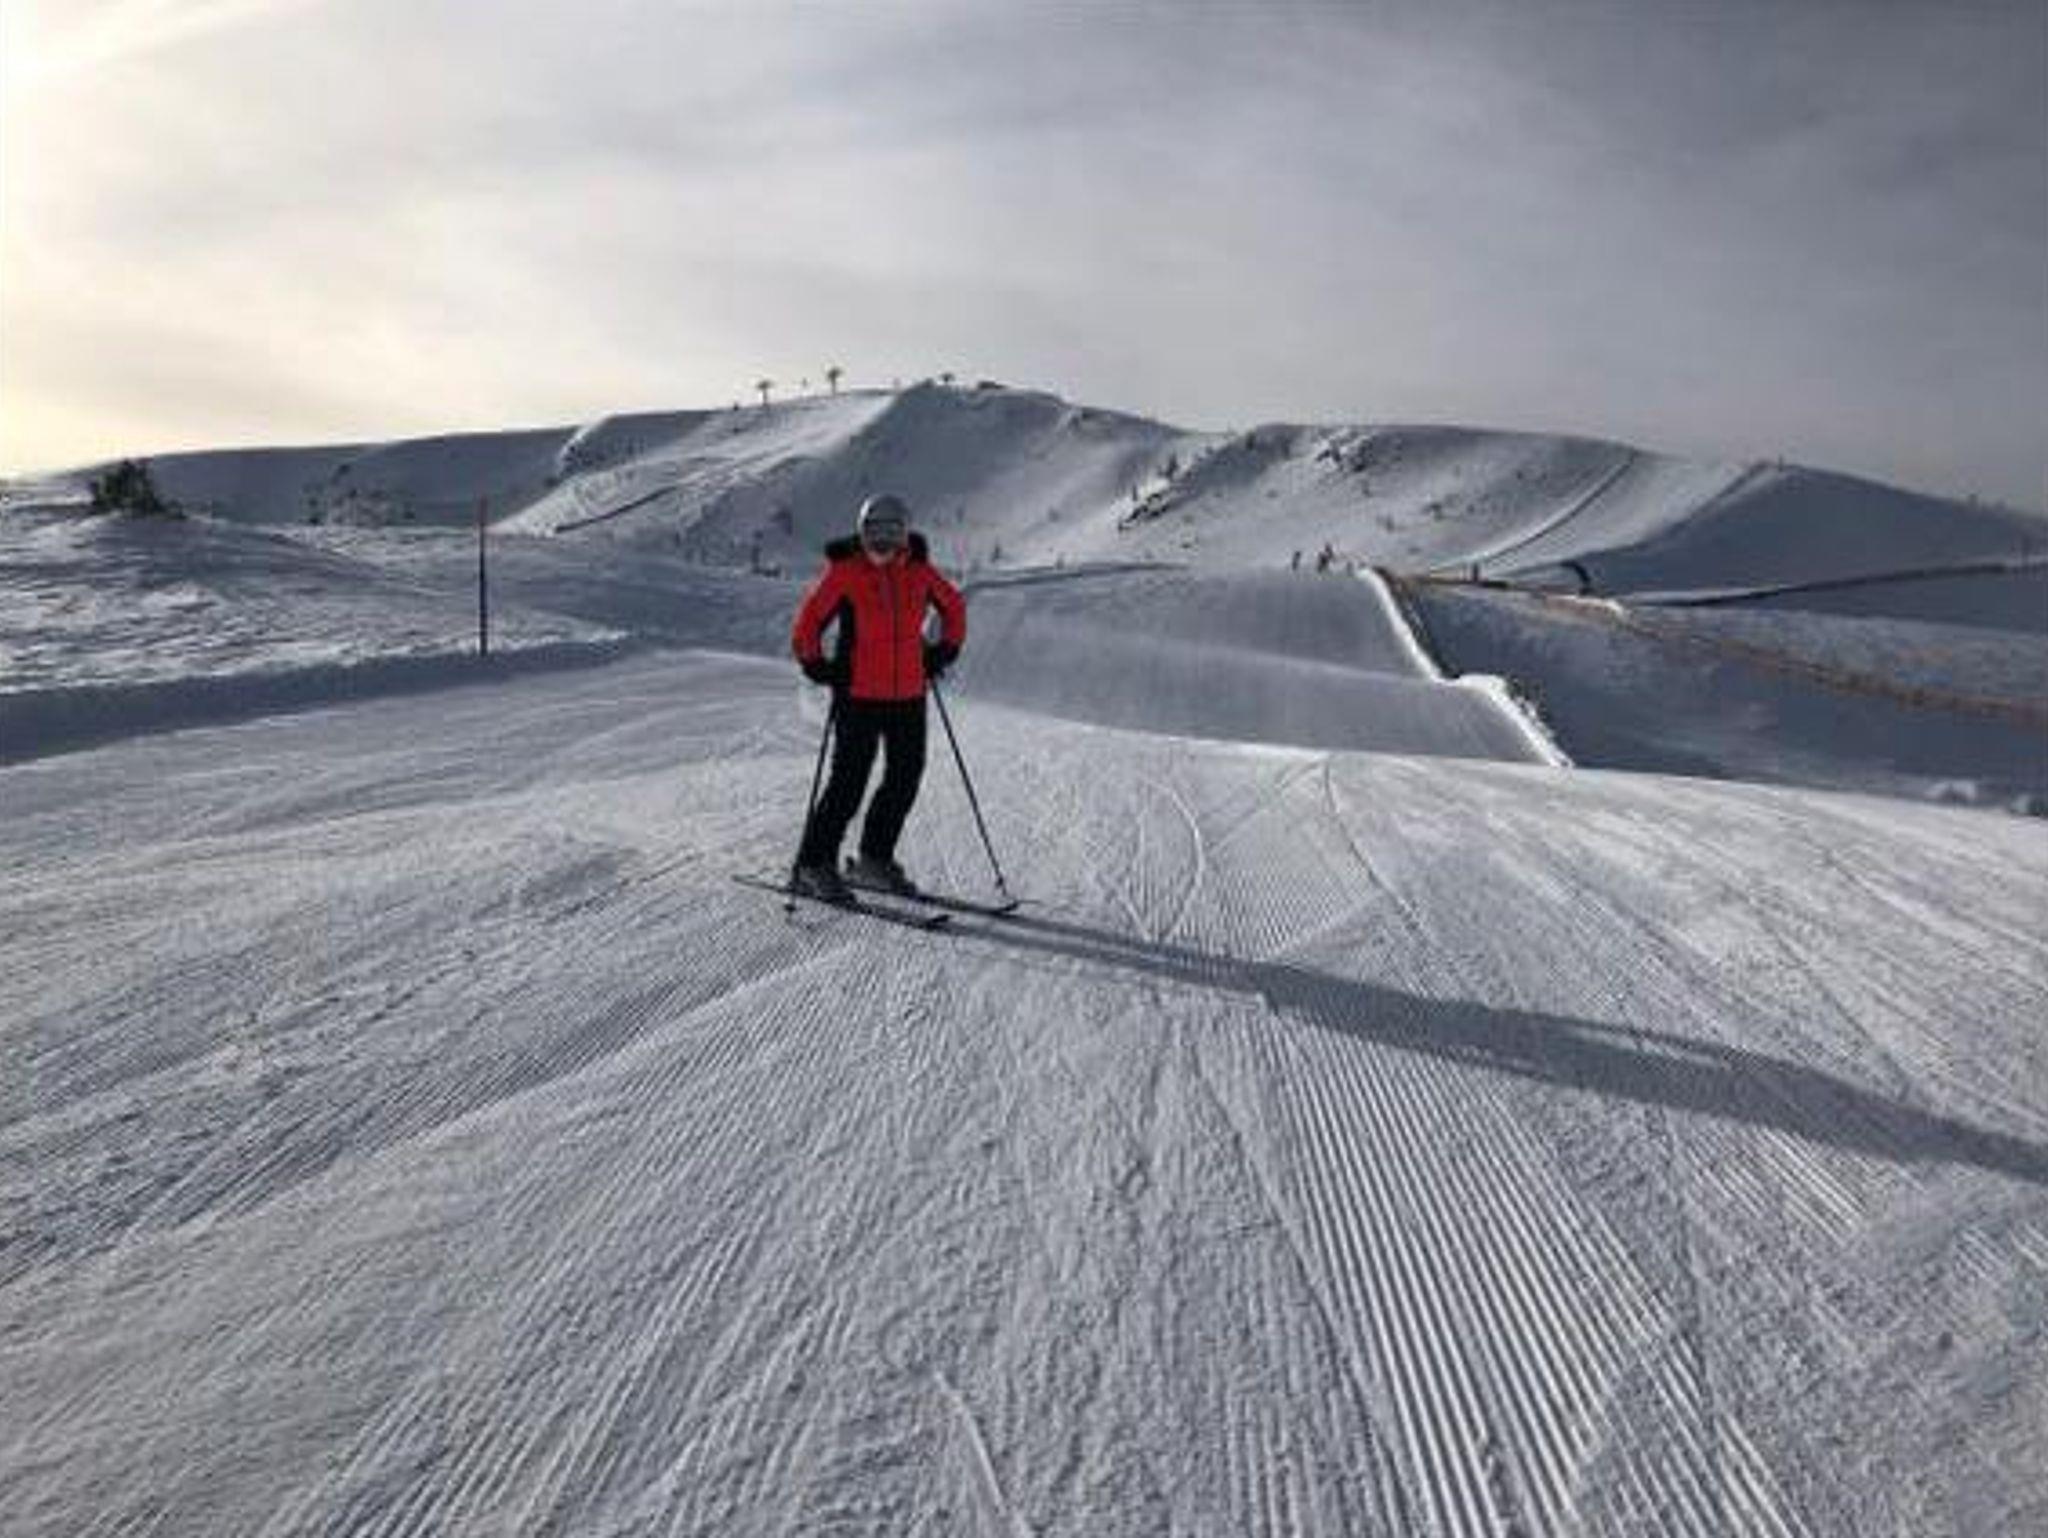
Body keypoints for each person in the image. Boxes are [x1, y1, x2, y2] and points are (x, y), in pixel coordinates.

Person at [789, 493, 967, 902]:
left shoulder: (919, 572)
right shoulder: (845, 572)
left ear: (904, 534)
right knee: (848, 783)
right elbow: (809, 621)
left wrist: (945, 649)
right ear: (862, 531)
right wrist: (816, 664)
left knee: (904, 778)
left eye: (891, 531)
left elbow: (954, 606)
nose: (882, 541)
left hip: (909, 695)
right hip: (859, 696)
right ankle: (813, 864)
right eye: (874, 531)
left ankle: (874, 859)